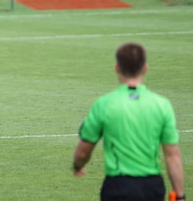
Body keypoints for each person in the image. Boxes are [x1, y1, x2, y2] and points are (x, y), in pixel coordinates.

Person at [72, 42, 185, 201]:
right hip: (151, 187)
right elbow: (173, 156)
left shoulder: (104, 104)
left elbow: (83, 151)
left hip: (118, 186)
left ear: (117, 68)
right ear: (145, 68)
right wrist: (180, 195)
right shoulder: (162, 105)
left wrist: (78, 165)